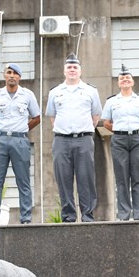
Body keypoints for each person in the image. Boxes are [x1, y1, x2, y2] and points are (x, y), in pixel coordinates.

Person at [46, 54, 102, 222]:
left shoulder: (91, 91)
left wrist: (82, 130)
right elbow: (52, 117)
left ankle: (87, 216)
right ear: (64, 71)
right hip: (61, 140)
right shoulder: (55, 92)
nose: (72, 70)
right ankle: (69, 217)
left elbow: (96, 115)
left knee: (86, 179)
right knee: (63, 179)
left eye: (75, 67)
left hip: (83, 139)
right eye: (69, 67)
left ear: (80, 71)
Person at [0, 63, 41, 225]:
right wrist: (2, 128)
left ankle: (26, 218)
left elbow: (36, 117)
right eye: (9, 72)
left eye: (15, 73)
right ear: (4, 75)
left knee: (23, 180)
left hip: (20, 140)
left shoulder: (27, 95)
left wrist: (22, 129)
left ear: (19, 77)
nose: (12, 76)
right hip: (0, 140)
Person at [101, 65, 139, 220]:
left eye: (128, 78)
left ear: (132, 82)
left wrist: (138, 128)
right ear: (118, 83)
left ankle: (138, 216)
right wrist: (118, 130)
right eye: (122, 78)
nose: (125, 80)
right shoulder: (111, 101)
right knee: (122, 178)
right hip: (119, 140)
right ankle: (124, 215)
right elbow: (106, 122)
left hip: (138, 139)